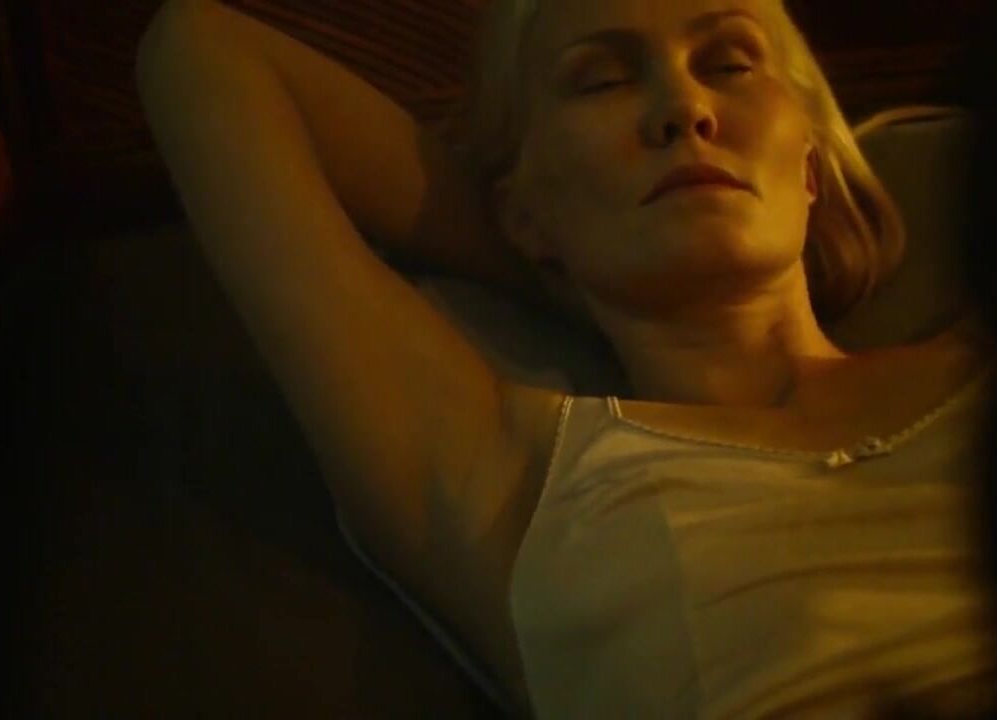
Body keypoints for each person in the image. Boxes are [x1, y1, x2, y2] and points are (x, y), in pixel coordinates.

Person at [135, 0, 997, 717]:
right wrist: (581, 267)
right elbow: (203, 52)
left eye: (729, 63)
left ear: (808, 167)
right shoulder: (503, 476)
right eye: (602, 81)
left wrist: (611, 244)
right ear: (520, 211)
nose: (682, 108)